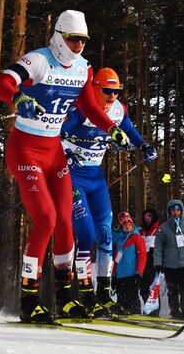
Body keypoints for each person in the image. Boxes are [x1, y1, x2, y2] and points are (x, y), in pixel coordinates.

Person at [0, 9, 127, 322]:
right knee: (46, 219)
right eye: (73, 38)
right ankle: (29, 298)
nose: (78, 45)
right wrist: (18, 98)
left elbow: (90, 107)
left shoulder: (83, 69)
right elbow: (1, 84)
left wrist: (111, 128)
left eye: (83, 40)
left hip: (53, 152)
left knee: (66, 220)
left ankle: (66, 296)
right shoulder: (38, 60)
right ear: (59, 35)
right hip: (25, 149)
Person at [62, 67, 158, 316]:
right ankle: (85, 294)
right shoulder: (81, 107)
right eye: (107, 91)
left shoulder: (118, 110)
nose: (112, 96)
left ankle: (103, 292)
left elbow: (129, 129)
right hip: (73, 176)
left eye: (116, 91)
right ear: (95, 88)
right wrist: (65, 152)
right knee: (86, 232)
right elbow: (54, 132)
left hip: (95, 177)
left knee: (105, 234)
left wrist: (144, 146)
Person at [152, 199, 184, 321]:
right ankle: (175, 312)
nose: (176, 212)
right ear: (169, 211)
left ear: (181, 211)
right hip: (169, 266)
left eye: (178, 209)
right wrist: (158, 263)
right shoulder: (163, 228)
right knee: (172, 290)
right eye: (173, 210)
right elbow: (158, 248)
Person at [111, 212, 147, 315]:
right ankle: (122, 315)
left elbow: (142, 257)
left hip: (132, 275)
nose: (127, 226)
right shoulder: (119, 241)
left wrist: (139, 272)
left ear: (132, 226)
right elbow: (116, 260)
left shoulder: (137, 238)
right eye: (125, 225)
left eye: (129, 225)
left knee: (133, 298)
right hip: (120, 276)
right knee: (121, 299)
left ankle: (135, 314)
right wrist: (114, 276)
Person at [138, 206, 160, 306]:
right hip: (142, 264)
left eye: (149, 216)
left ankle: (153, 311)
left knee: (153, 288)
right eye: (145, 216)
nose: (147, 218)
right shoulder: (141, 231)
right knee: (143, 288)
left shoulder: (159, 230)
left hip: (154, 264)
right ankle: (147, 307)